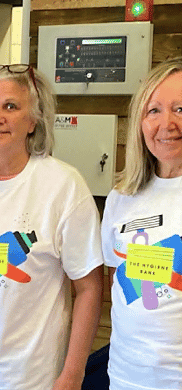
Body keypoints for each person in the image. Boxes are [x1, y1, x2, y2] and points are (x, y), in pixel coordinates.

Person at [0, 64, 104, 390]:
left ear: (33, 121)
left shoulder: (63, 185)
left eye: (11, 106)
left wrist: (73, 373)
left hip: (27, 378)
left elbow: (89, 288)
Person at [101, 57, 182, 390]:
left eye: (181, 109)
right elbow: (116, 282)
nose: (167, 124)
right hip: (125, 375)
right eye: (154, 111)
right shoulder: (122, 198)